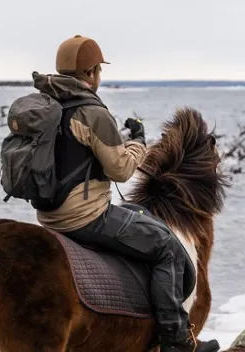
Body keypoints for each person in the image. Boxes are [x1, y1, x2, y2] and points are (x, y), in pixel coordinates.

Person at [33, 35, 220, 352]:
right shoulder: (92, 111)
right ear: (91, 73)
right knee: (166, 248)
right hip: (85, 217)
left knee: (142, 216)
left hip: (48, 215)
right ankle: (176, 341)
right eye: (97, 71)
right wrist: (137, 142)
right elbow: (121, 171)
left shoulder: (45, 107)